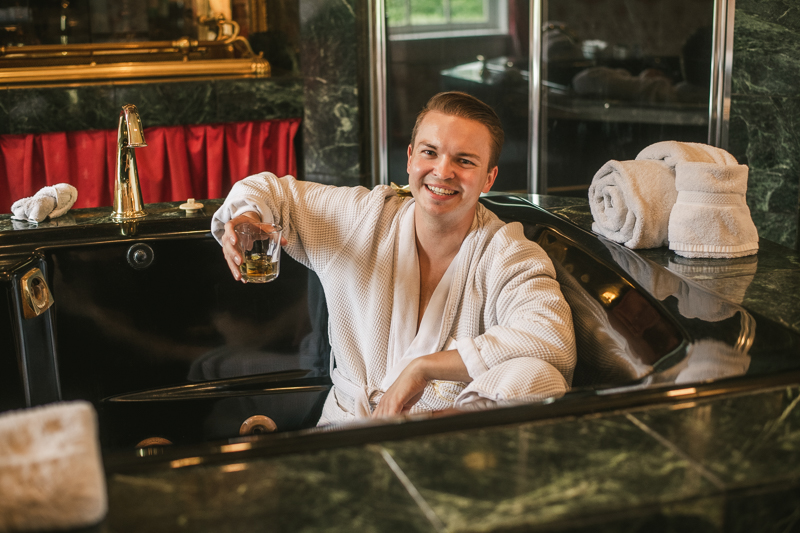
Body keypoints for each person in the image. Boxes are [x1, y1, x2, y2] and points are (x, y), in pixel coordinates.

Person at [211, 91, 576, 425]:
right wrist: (247, 220)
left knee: (539, 376)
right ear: (410, 158)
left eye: (464, 161)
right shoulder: (364, 217)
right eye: (430, 152)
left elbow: (550, 338)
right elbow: (268, 190)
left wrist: (424, 368)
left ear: (488, 179)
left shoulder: (507, 253)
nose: (443, 171)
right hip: (348, 430)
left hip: (447, 438)